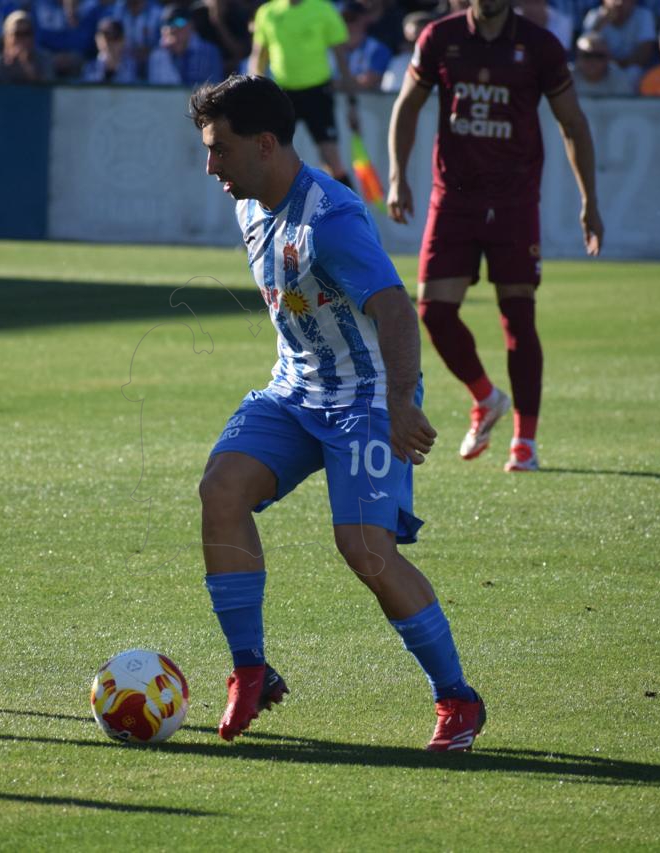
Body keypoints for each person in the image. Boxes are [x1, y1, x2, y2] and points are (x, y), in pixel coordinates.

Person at [189, 74, 486, 752]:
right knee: (221, 488)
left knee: (365, 550)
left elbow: (393, 308)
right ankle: (251, 668)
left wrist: (402, 403)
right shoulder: (250, 203)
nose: (211, 167)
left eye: (220, 150)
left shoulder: (331, 217)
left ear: (266, 144)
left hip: (366, 399)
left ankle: (458, 698)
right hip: (295, 391)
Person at [388, 0, 603, 472]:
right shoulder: (439, 39)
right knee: (434, 312)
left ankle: (525, 442)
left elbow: (573, 123)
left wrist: (590, 200)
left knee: (518, 316)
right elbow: (408, 104)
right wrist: (397, 174)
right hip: (454, 198)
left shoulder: (541, 46)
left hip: (514, 201)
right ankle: (486, 398)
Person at [250, 0, 360, 187]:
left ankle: (349, 210)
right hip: (282, 94)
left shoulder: (323, 10)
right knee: (269, 153)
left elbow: (342, 59)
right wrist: (254, 96)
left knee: (331, 157)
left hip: (317, 93)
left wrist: (352, 103)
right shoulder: (267, 12)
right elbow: (258, 57)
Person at [146, 4, 224, 85]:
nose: (172, 28)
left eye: (179, 21)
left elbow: (216, 89)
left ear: (191, 25)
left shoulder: (209, 52)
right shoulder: (157, 56)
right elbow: (155, 92)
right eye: (167, 23)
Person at [580, 0, 656, 76]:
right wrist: (598, 26)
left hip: (629, 71)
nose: (619, 3)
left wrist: (617, 65)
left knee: (633, 72)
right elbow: (584, 52)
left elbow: (643, 55)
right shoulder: (594, 16)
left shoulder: (644, 15)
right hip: (601, 71)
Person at [0, 8, 55, 81]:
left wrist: (26, 64)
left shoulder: (44, 59)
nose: (22, 38)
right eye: (17, 33)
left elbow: (47, 89)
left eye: (27, 33)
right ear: (6, 37)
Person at [341, 0, 392, 91]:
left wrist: (335, 83)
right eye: (343, 19)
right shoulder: (328, 48)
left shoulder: (378, 49)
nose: (346, 23)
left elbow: (368, 82)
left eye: (351, 18)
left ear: (364, 19)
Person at [381, 11, 434, 93]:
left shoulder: (442, 63)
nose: (419, 42)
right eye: (414, 38)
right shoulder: (398, 63)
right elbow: (389, 93)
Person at [570, 29, 637, 92]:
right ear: (577, 56)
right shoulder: (567, 77)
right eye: (587, 55)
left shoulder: (619, 77)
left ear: (608, 58)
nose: (593, 61)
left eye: (599, 56)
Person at [82, 15, 139, 81]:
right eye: (105, 36)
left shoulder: (132, 67)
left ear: (123, 40)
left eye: (115, 37)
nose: (109, 42)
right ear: (97, 39)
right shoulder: (89, 68)